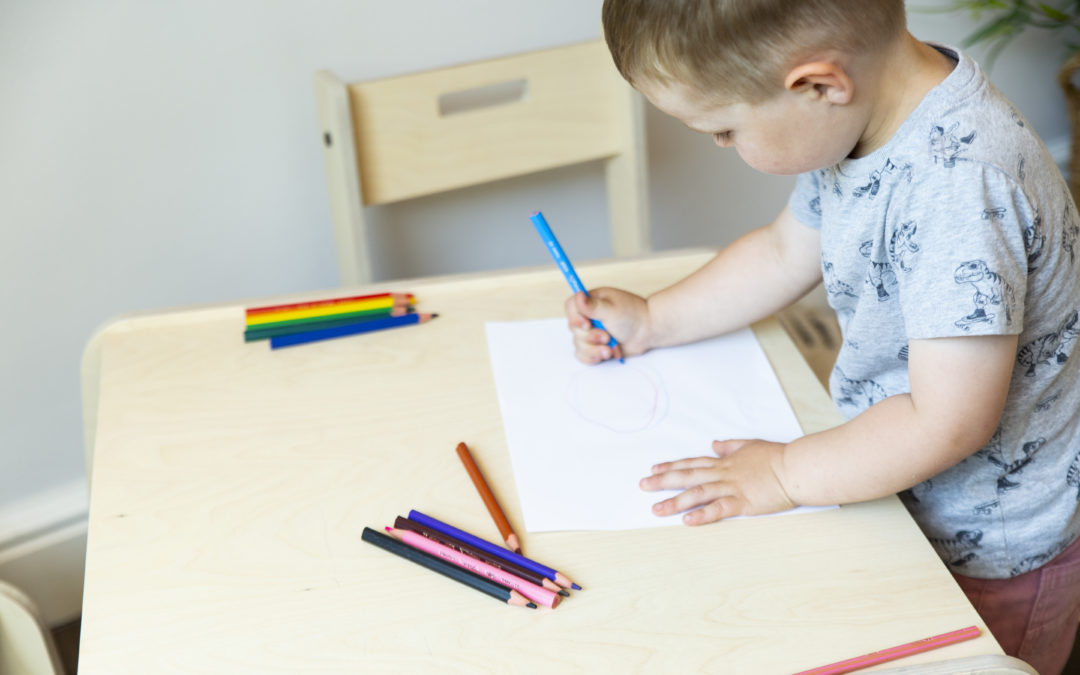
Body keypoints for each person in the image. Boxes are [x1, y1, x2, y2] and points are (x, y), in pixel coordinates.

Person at [566, 1, 1080, 671]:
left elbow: (949, 421)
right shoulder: (867, 112)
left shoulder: (959, 185)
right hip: (891, 484)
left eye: (724, 130)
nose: (723, 147)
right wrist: (656, 318)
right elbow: (785, 252)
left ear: (817, 85)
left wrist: (783, 472)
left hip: (988, 541)